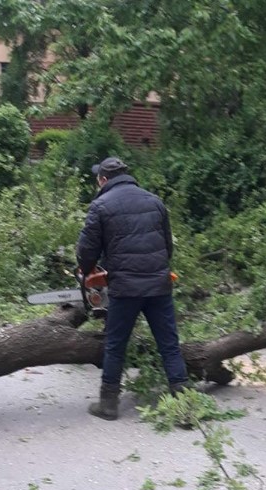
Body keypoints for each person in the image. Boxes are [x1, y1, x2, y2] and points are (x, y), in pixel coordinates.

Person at [76, 156, 191, 420]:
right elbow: (167, 247)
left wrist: (87, 269)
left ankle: (108, 404)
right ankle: (187, 409)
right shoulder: (154, 201)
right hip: (159, 284)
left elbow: (86, 250)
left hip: (125, 288)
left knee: (116, 344)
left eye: (98, 178)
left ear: (103, 180)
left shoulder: (100, 205)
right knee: (169, 345)